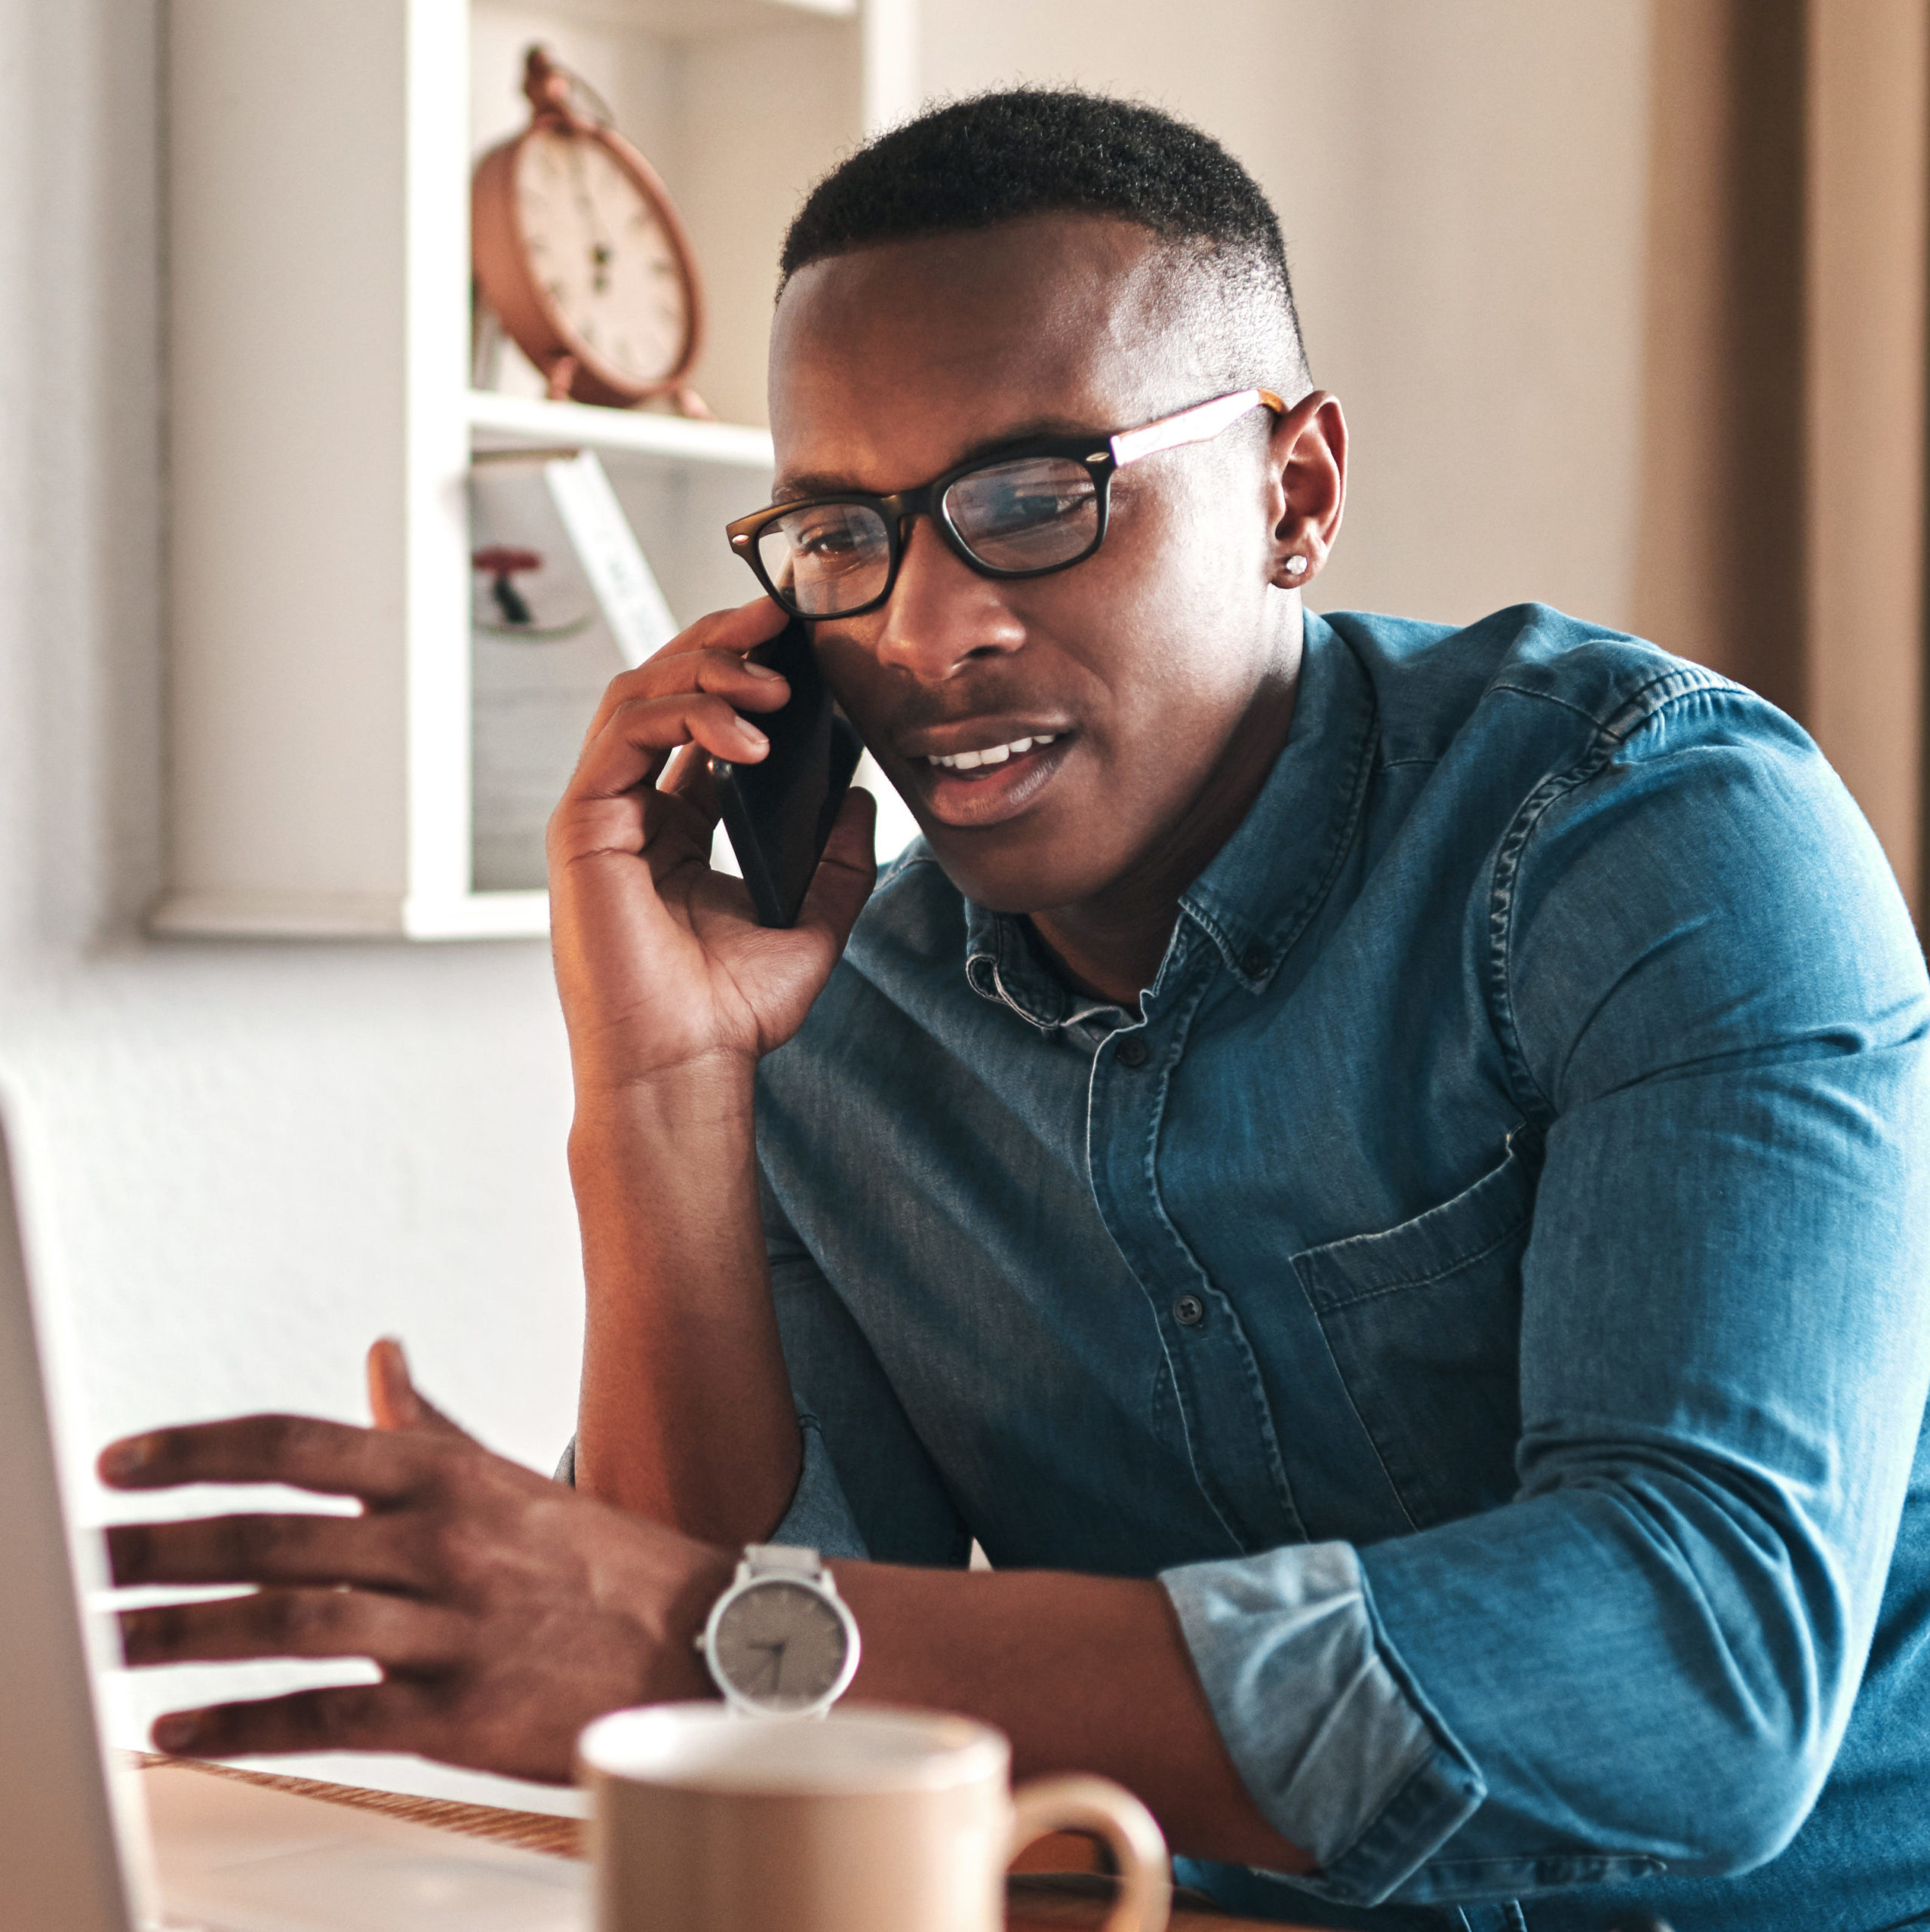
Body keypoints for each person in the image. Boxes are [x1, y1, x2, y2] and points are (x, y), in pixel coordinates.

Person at [100, 91, 1930, 1932]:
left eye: (1038, 500)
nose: (920, 627)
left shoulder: (1653, 837)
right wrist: (655, 1093)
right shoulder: (839, 1017)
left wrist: (695, 1629)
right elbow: (720, 1737)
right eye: (839, 531)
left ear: (1293, 493)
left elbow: (1704, 1673)